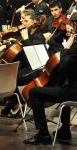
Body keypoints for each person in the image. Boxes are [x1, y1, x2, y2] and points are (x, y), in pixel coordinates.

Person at [24, 12, 77, 145]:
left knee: (34, 92)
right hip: (72, 88)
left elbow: (63, 67)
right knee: (64, 87)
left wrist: (68, 46)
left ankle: (43, 134)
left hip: (73, 92)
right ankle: (64, 131)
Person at [0, 9, 46, 116]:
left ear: (34, 22)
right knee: (1, 75)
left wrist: (26, 39)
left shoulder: (39, 36)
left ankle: (17, 103)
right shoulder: (25, 32)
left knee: (9, 78)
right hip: (23, 66)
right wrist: (5, 45)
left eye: (26, 20)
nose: (23, 23)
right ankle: (14, 101)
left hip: (34, 69)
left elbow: (33, 55)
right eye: (23, 20)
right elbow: (17, 44)